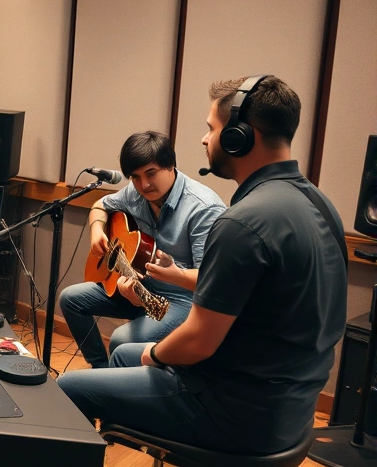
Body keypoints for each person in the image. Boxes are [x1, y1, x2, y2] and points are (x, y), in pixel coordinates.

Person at [57, 75, 348, 455]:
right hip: (290, 413)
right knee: (124, 352)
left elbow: (198, 340)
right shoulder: (322, 206)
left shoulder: (242, 222)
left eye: (212, 128)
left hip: (230, 413)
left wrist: (153, 354)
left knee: (70, 387)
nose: (205, 139)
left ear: (239, 136)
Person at [59, 131, 225, 368]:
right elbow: (100, 205)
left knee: (120, 340)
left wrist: (174, 275)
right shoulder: (134, 193)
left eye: (151, 173)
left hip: (181, 300)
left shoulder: (203, 209)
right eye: (135, 177)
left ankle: (118, 390)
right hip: (138, 287)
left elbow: (210, 281)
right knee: (71, 300)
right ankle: (101, 370)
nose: (143, 185)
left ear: (171, 166)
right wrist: (97, 231)